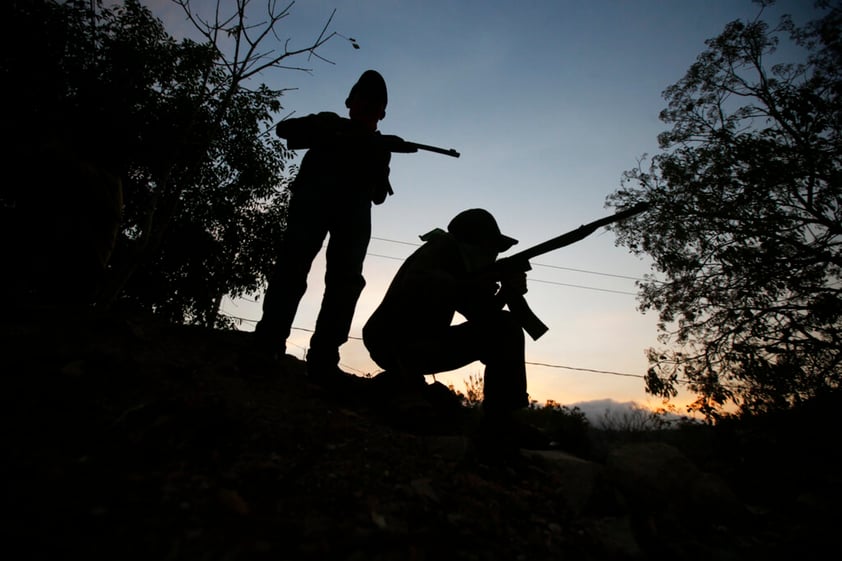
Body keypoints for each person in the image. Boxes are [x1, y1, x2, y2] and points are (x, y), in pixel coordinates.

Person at [362, 208, 548, 450]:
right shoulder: (439, 251)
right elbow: (423, 287)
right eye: (492, 248)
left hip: (422, 345)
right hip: (393, 343)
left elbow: (483, 317)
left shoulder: (460, 267)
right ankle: (408, 390)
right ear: (474, 244)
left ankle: (501, 420)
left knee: (505, 326)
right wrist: (475, 284)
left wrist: (506, 292)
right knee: (503, 327)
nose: (493, 255)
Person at [253, 70, 395, 385]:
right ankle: (268, 344)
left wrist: (375, 155)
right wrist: (330, 131)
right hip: (313, 203)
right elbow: (286, 130)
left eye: (375, 103)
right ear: (351, 102)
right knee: (292, 270)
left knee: (344, 284)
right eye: (364, 98)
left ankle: (324, 357)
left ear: (382, 112)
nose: (369, 106)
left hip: (354, 215)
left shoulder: (378, 145)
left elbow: (380, 195)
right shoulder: (329, 123)